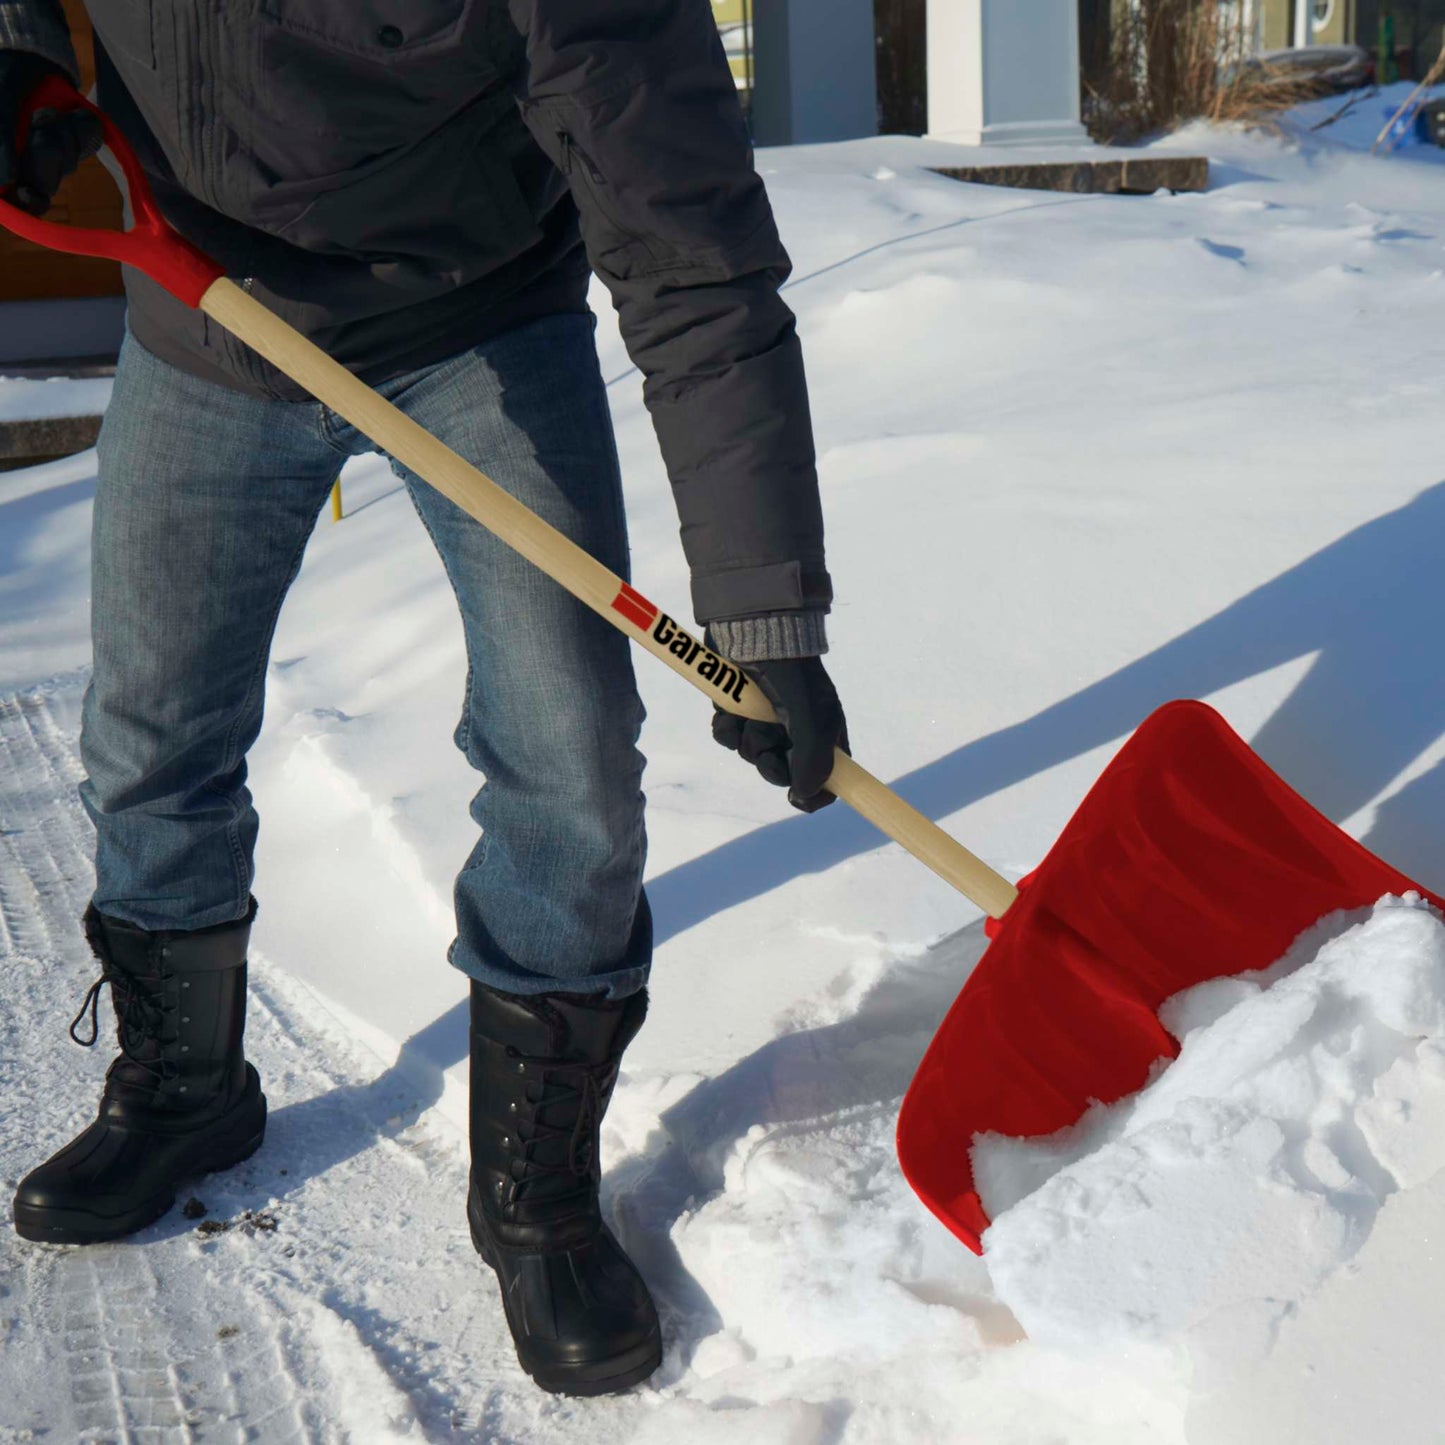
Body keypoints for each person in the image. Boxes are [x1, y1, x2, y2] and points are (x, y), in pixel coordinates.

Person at [0, 0, 848, 1398]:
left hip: (478, 314)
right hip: (203, 308)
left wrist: (765, 611)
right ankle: (185, 1089)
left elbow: (689, 247)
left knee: (570, 755)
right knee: (149, 730)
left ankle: (534, 1189)